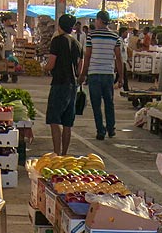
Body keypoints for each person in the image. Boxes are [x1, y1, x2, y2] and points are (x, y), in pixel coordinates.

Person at [79, 10, 123, 141]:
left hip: (94, 74)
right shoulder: (115, 36)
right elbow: (119, 58)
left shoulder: (91, 35)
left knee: (96, 104)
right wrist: (121, 77)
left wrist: (83, 74)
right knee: (109, 102)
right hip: (108, 74)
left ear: (98, 20)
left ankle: (100, 130)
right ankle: (111, 129)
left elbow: (87, 56)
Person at [43, 13, 82, 157]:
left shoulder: (57, 41)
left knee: (54, 120)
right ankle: (65, 154)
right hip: (73, 85)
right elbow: (80, 68)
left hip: (59, 83)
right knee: (67, 122)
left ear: (59, 26)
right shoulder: (77, 44)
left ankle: (56, 153)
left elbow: (51, 63)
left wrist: (45, 68)